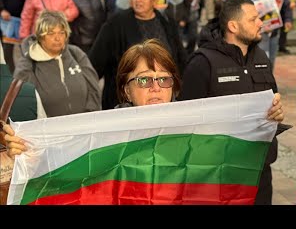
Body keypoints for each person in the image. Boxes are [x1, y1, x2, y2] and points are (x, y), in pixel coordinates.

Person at [179, 0, 286, 205]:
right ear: (233, 26)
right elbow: (186, 122)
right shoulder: (203, 63)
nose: (260, 23)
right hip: (220, 174)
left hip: (259, 169)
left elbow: (273, 101)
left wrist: (277, 114)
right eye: (253, 19)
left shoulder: (261, 57)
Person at [3, 38, 180, 157]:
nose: (156, 87)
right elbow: (64, 162)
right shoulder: (104, 135)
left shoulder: (196, 129)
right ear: (127, 90)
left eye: (164, 79)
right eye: (144, 79)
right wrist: (28, 151)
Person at [89, 0, 186, 110]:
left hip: (162, 101)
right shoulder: (116, 23)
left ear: (154, 0)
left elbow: (180, 58)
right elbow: (95, 62)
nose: (138, 0)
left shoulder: (166, 22)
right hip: (125, 105)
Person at [13, 11, 101, 118]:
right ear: (41, 37)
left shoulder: (76, 54)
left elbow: (94, 89)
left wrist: (89, 117)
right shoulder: (28, 63)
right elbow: (24, 102)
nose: (57, 38)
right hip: (48, 131)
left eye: (62, 32)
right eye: (51, 33)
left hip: (83, 126)